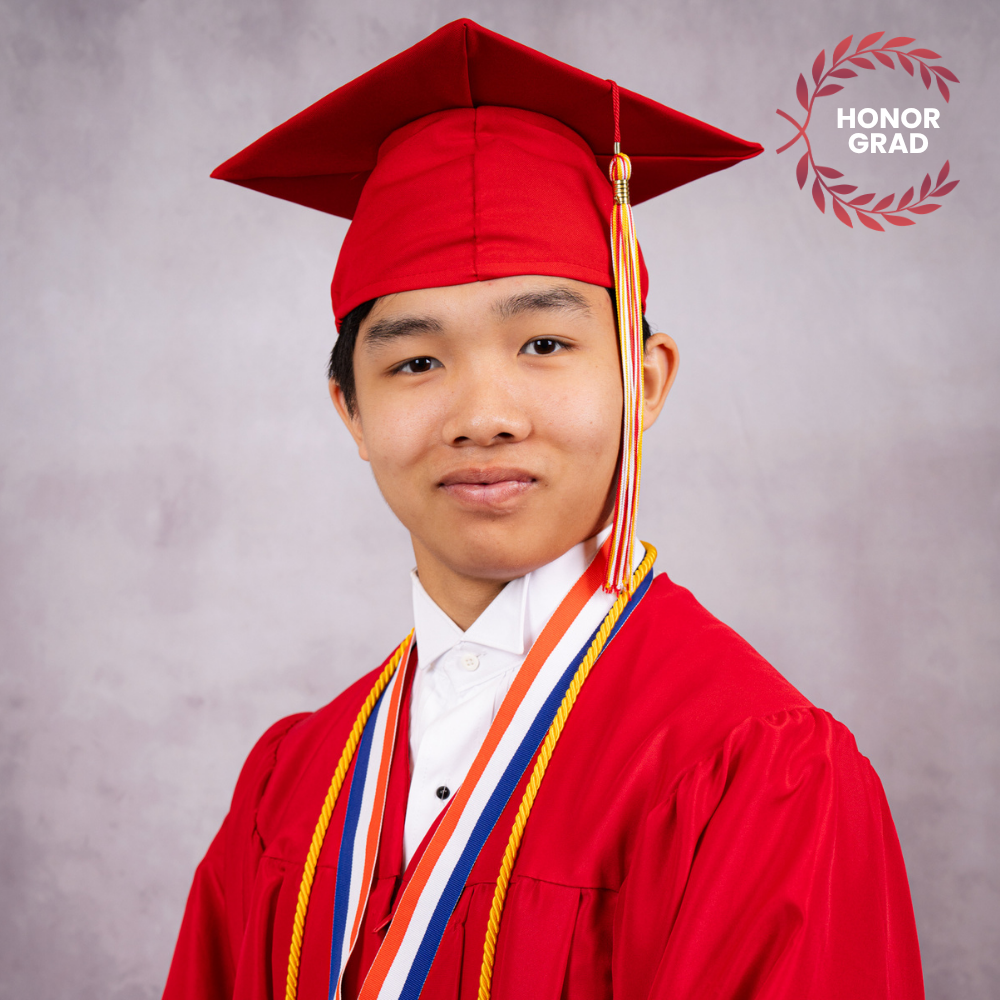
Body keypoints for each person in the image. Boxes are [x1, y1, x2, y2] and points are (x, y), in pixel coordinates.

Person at [163, 19, 924, 1000]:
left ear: (644, 383)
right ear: (349, 409)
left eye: (543, 346)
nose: (484, 416)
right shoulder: (291, 783)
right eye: (416, 361)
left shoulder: (757, 772)